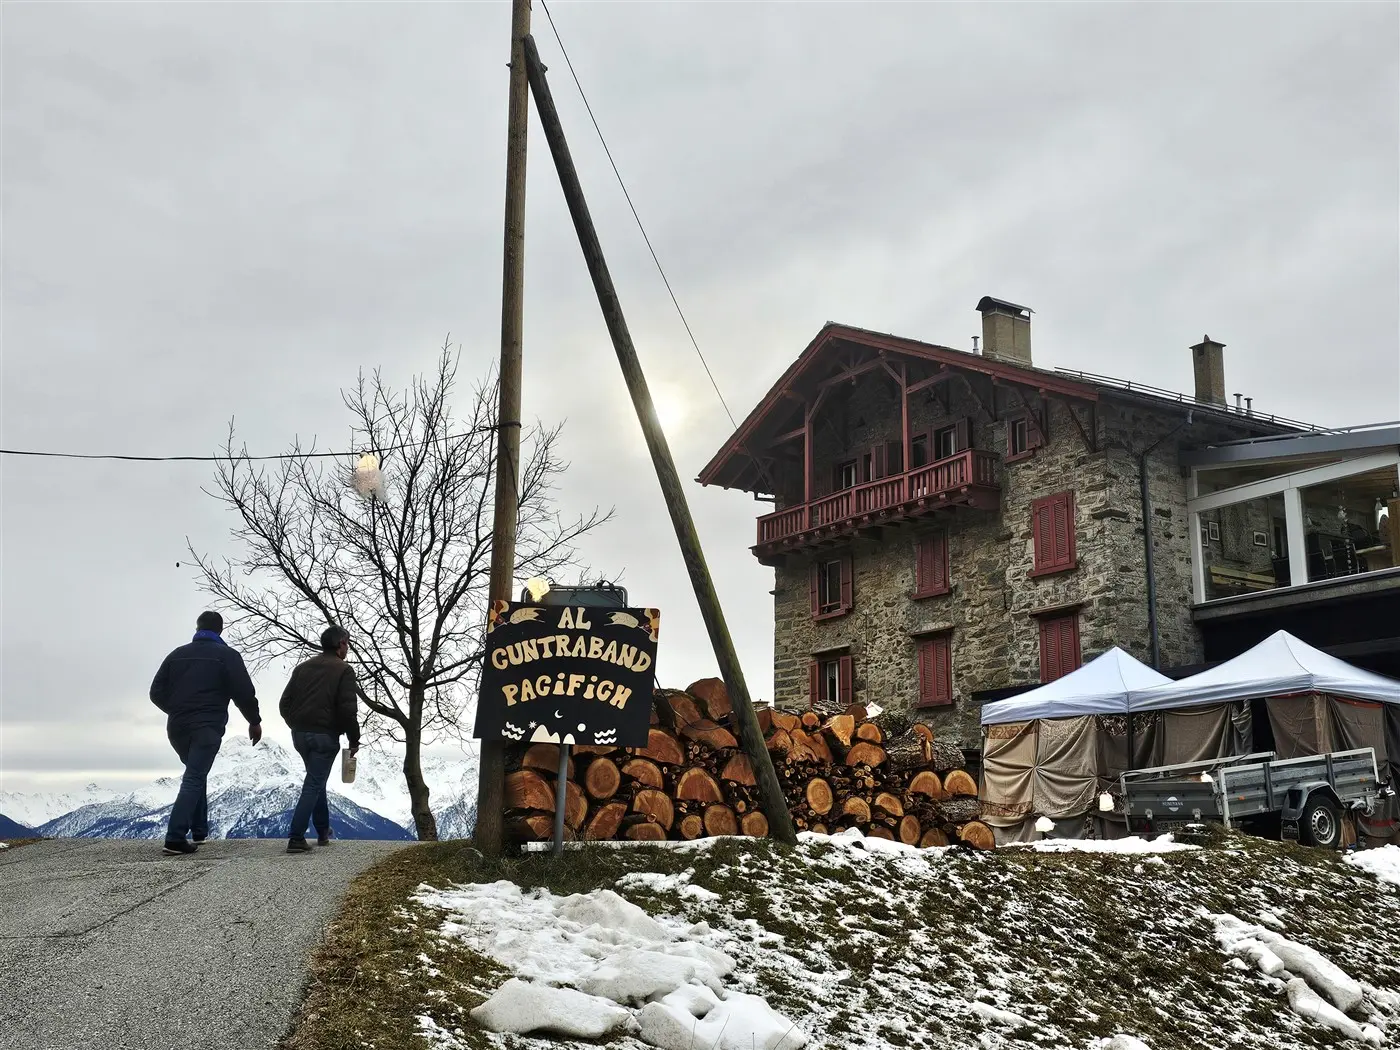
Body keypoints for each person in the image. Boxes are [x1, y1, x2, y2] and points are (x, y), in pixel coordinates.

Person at [149, 610, 262, 855]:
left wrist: (176, 709)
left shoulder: (176, 655)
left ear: (197, 628)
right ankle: (175, 838)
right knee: (194, 776)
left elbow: (155, 692)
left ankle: (199, 831)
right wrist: (254, 721)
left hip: (177, 727)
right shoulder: (227, 656)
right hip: (207, 725)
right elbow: (243, 692)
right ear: (220, 630)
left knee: (196, 771)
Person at [279, 625, 360, 853]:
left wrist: (296, 724)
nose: (348, 647)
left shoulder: (302, 668)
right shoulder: (343, 670)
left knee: (317, 780)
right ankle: (296, 837)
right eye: (347, 642)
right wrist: (354, 739)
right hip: (325, 737)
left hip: (300, 736)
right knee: (314, 782)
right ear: (340, 644)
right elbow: (347, 710)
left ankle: (323, 831)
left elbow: (284, 703)